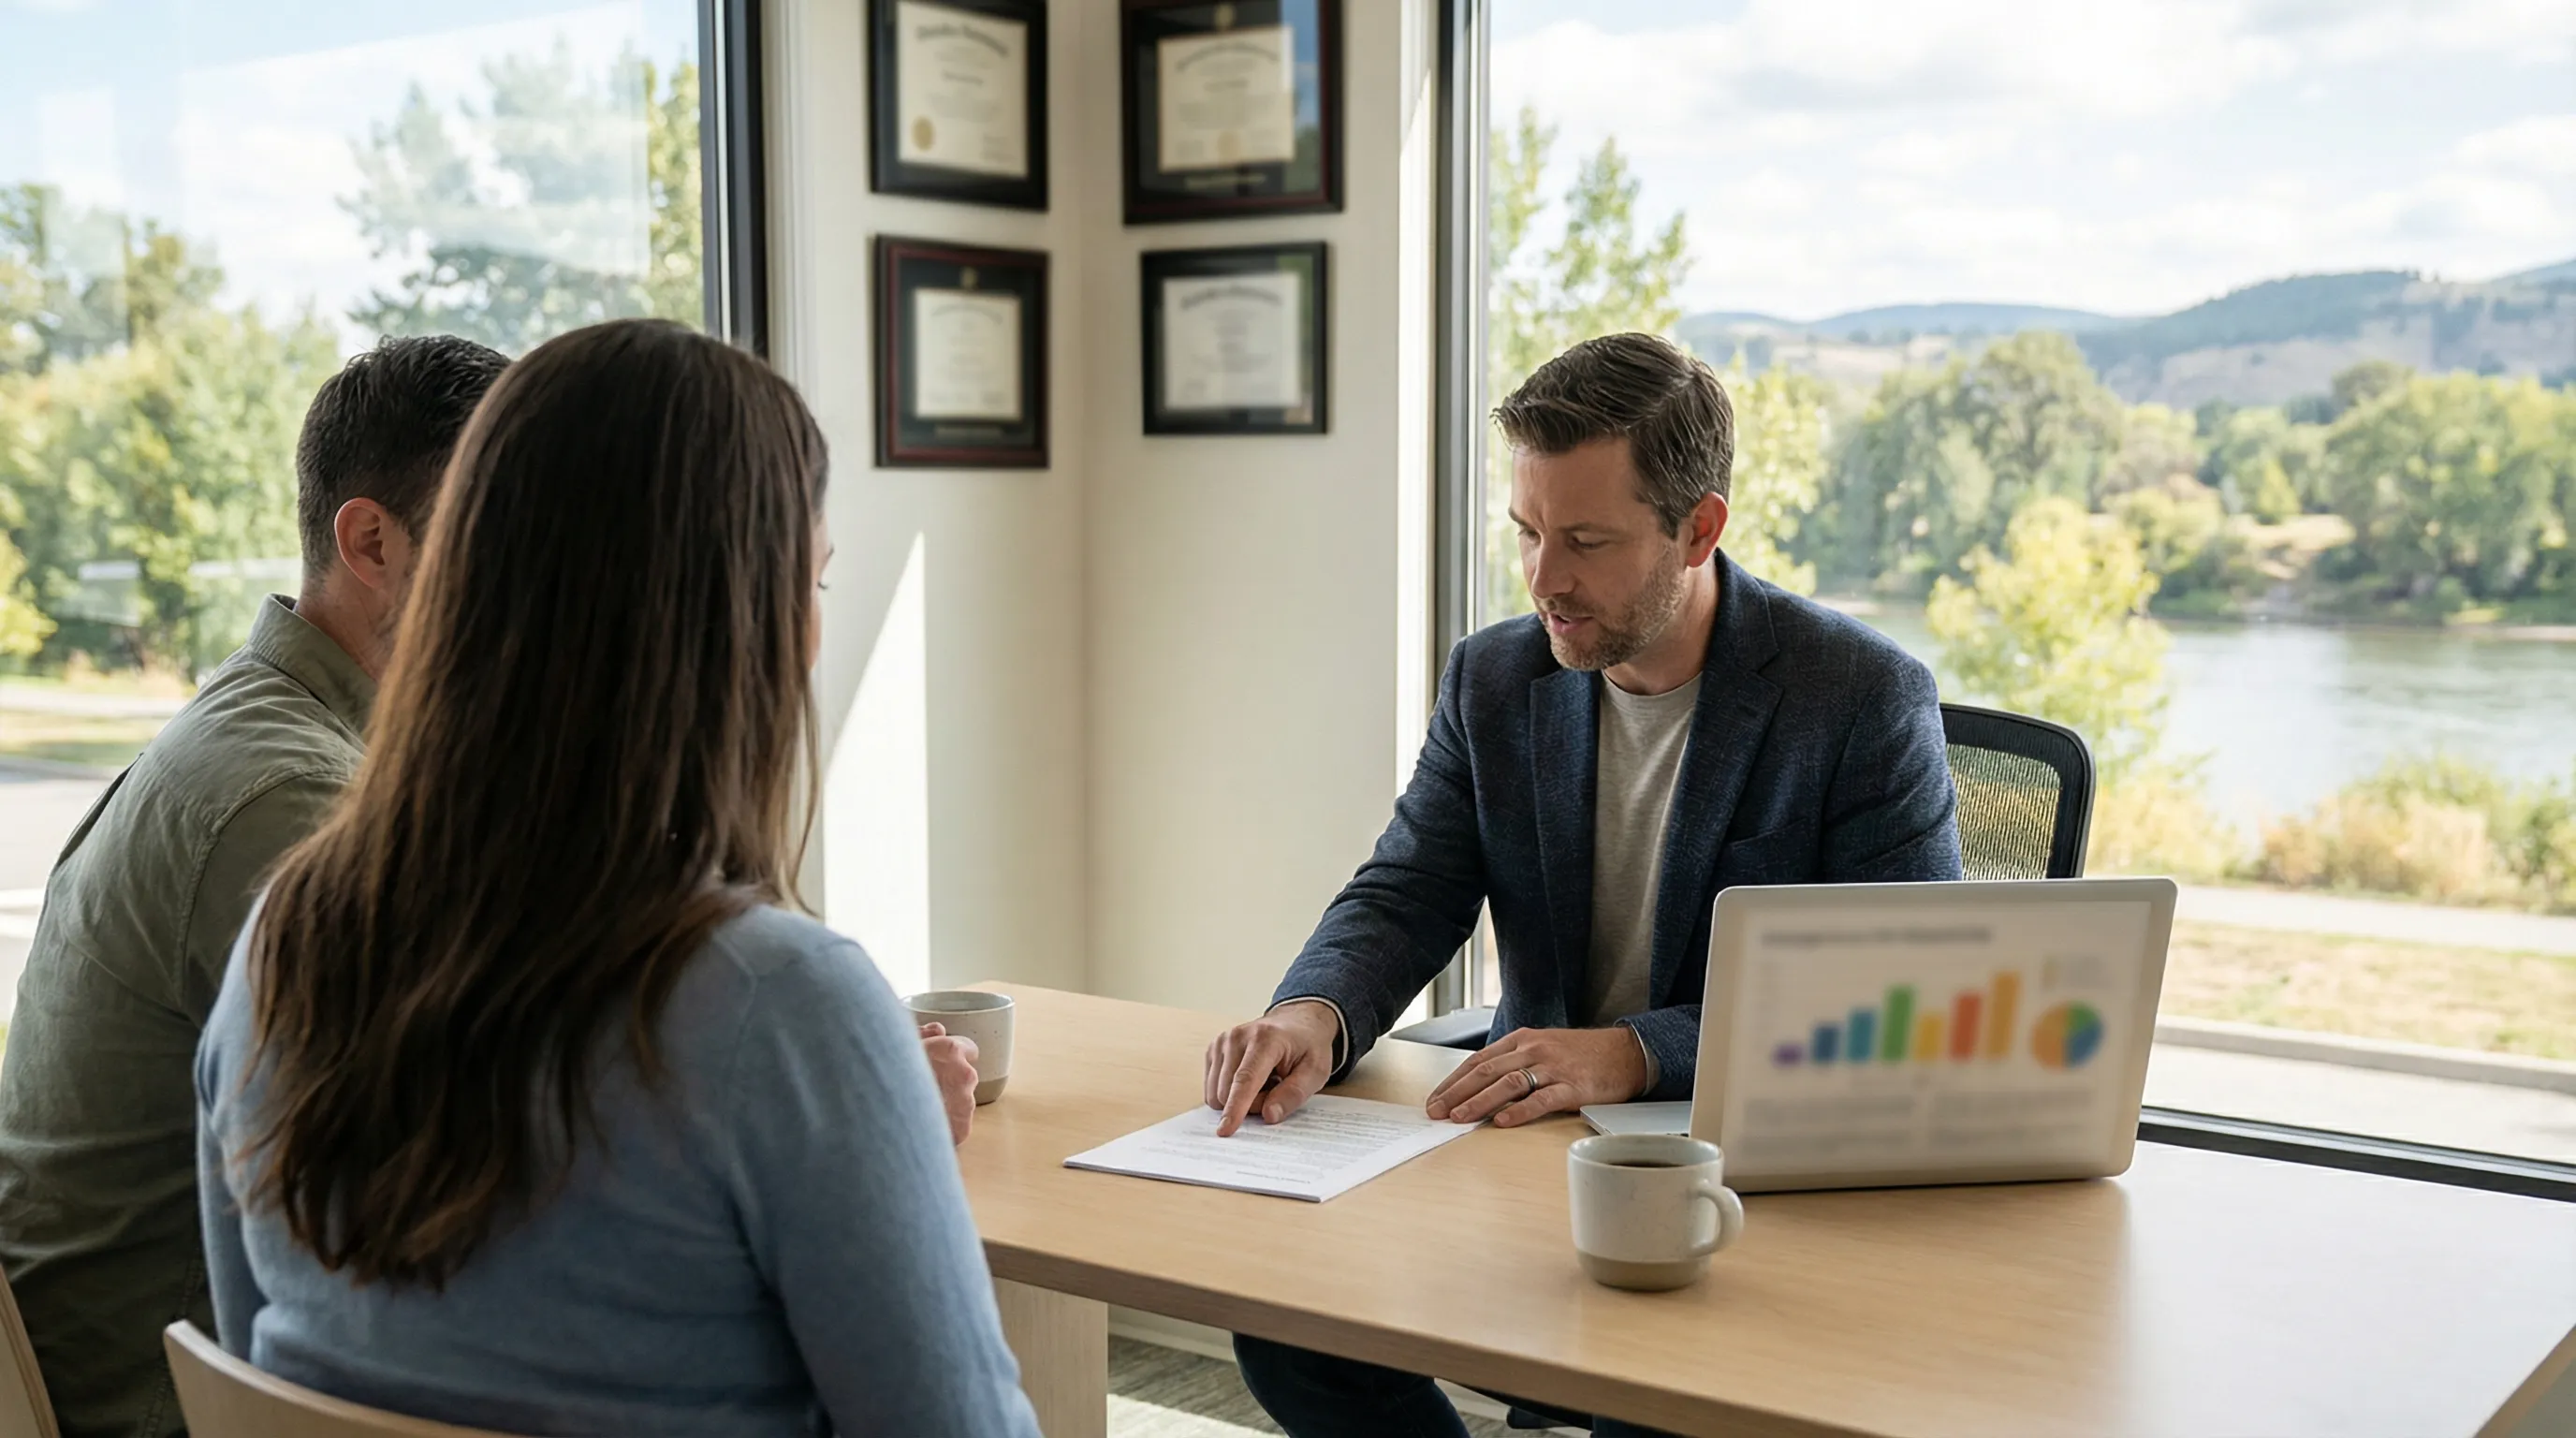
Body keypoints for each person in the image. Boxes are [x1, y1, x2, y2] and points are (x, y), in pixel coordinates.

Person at [195, 318, 1038, 1436]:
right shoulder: (781, 1007)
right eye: (815, 580)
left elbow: (253, 1347)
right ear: (740, 620)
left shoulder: (280, 947)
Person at [1204, 332, 1964, 1438]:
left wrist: (1639, 1050)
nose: (1545, 579)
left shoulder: (1858, 698)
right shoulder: (1496, 676)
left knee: (1647, 1409)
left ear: (1699, 529)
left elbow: (1908, 1001)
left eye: (1588, 541)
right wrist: (1312, 1012)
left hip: (1737, 1177)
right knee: (1285, 1321)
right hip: (1528, 1153)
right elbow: (1410, 885)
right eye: (1527, 533)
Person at [0, 335, 507, 1438]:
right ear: (371, 539)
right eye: (501, 537)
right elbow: (455, 1164)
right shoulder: (290, 799)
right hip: (163, 1400)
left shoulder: (278, 728)